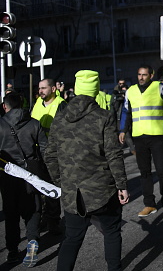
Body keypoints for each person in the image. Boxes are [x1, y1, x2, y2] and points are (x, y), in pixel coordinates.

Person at [45, 70, 129, 271]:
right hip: (102, 190)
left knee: (72, 238)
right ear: (95, 90)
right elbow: (113, 154)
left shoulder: (60, 117)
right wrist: (122, 185)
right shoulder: (104, 116)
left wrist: (61, 181)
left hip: (72, 192)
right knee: (111, 231)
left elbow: (50, 155)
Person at [119, 65, 163, 218]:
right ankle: (149, 204)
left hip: (156, 136)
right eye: (139, 74)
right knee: (144, 173)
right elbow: (126, 111)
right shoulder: (131, 91)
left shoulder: (159, 87)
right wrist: (122, 130)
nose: (141, 77)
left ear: (151, 75)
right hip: (139, 137)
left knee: (162, 172)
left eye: (144, 75)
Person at [0, 92, 47, 266]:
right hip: (30, 172)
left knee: (10, 212)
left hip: (7, 173)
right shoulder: (34, 123)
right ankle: (32, 240)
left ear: (5, 106)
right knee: (33, 208)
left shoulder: (0, 124)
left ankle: (12, 251)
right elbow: (44, 149)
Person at [30, 78, 67, 235]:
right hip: (38, 152)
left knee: (52, 187)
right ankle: (45, 218)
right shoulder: (38, 102)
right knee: (40, 187)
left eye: (44, 88)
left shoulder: (61, 104)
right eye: (39, 88)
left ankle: (53, 221)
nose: (40, 91)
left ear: (52, 89)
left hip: (53, 153)